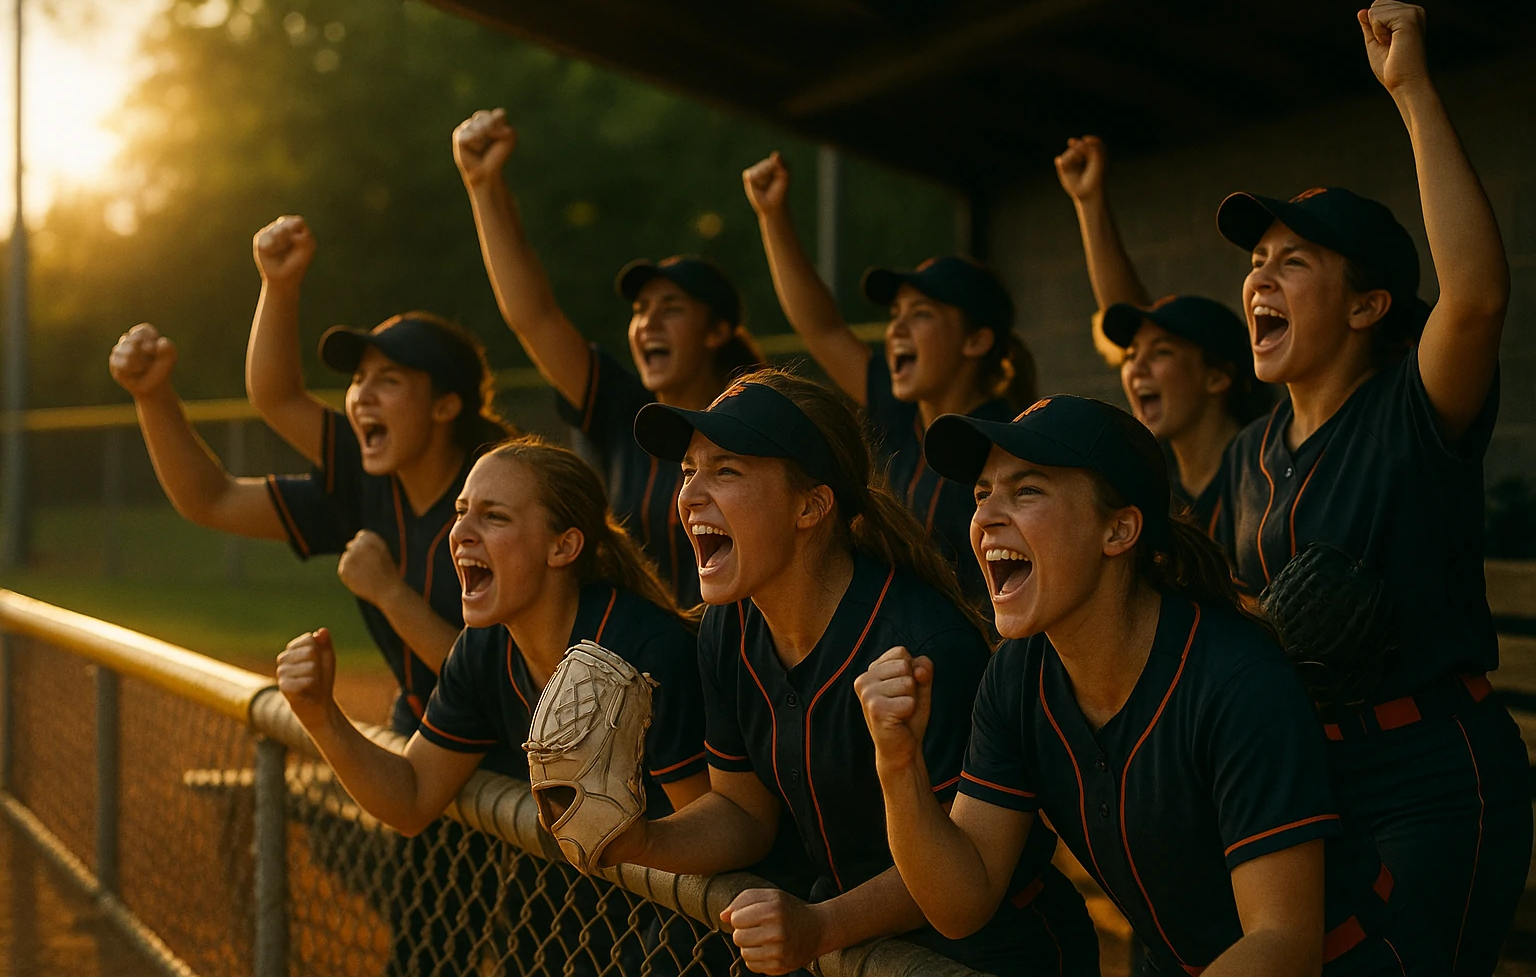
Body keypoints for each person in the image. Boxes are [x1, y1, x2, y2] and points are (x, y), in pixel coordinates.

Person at [860, 395, 1423, 977]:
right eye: (982, 493)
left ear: (1119, 528)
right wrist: (898, 767)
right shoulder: (1015, 677)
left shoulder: (1237, 679)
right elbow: (961, 901)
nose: (985, 518)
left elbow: (1283, 942)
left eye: (1027, 491)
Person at [1211, 0, 1531, 977]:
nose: (1260, 276)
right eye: (1255, 261)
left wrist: (1413, 91)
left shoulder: (1408, 407)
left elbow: (1474, 295)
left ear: (1367, 305)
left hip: (1432, 774)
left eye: (1293, 261)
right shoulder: (1249, 452)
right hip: (1310, 774)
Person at [602, 369, 1097, 977]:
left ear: (811, 505)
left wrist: (821, 926)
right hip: (848, 944)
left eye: (726, 470)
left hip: (988, 954)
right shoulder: (727, 627)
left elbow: (955, 873)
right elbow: (743, 811)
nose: (691, 495)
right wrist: (635, 840)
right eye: (688, 471)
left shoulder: (922, 644)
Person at [275, 436, 710, 976]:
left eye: (494, 516)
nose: (460, 532)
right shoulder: (486, 647)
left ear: (563, 547)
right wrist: (321, 715)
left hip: (673, 929)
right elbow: (412, 796)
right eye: (461, 512)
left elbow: (712, 833)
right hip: (561, 914)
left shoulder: (645, 650)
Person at [108, 216, 513, 736]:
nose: (363, 394)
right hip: (422, 736)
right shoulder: (366, 483)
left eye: (388, 380)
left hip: (514, 757)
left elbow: (496, 684)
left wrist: (390, 593)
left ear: (445, 406)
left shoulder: (501, 497)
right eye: (359, 379)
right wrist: (153, 396)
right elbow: (211, 498)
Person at [454, 108, 763, 608]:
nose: (650, 323)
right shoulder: (626, 409)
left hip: (733, 664)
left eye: (672, 308)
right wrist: (483, 186)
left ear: (718, 331)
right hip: (638, 662)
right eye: (640, 310)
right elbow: (534, 317)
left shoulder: (756, 426)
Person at [743, 153, 1036, 609]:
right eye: (895, 314)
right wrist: (772, 215)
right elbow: (822, 328)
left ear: (976, 340)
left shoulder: (1008, 441)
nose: (897, 329)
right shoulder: (900, 414)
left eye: (921, 314)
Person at [1054, 136, 1269, 532]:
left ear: (1217, 377)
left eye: (1162, 353)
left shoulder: (1266, 466)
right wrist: (1088, 203)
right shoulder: (1156, 481)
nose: (1136, 367)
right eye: (1132, 355)